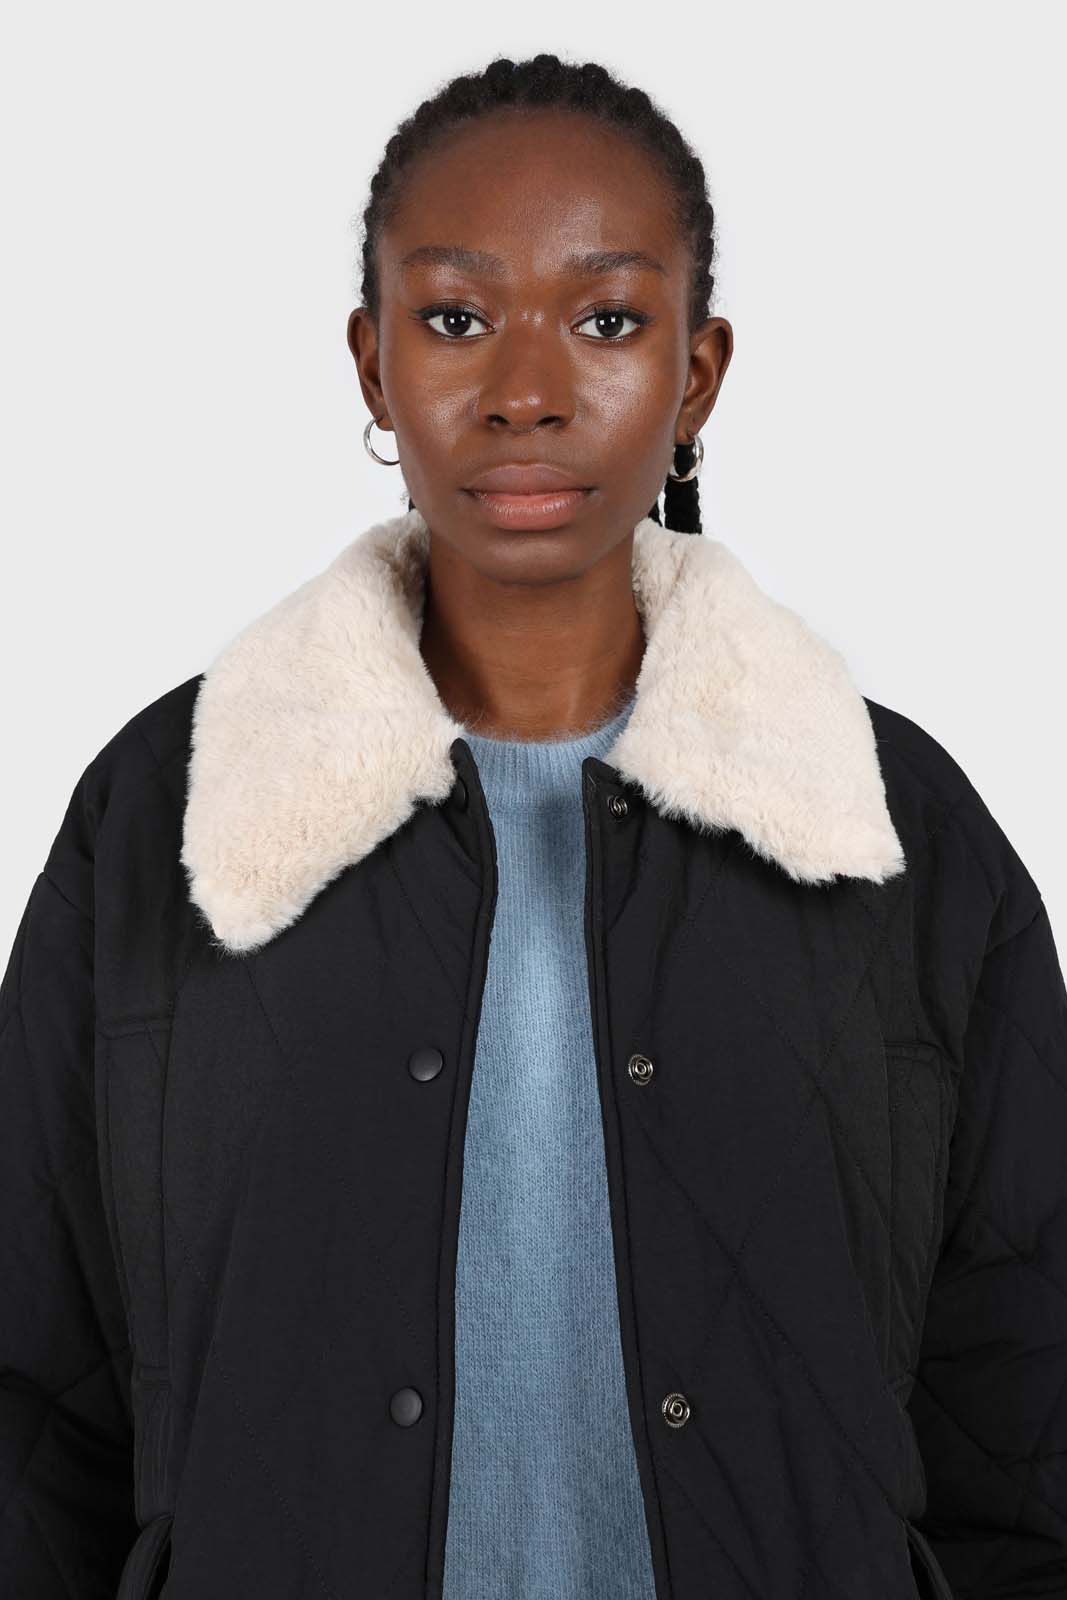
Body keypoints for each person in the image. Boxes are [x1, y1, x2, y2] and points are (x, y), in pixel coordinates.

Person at [1, 51, 1064, 1600]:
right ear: (372, 365)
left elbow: (1024, 1413)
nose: (525, 391)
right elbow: (35, 1401)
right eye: (454, 318)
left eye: (608, 320)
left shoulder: (890, 836)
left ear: (697, 374)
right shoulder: (169, 816)